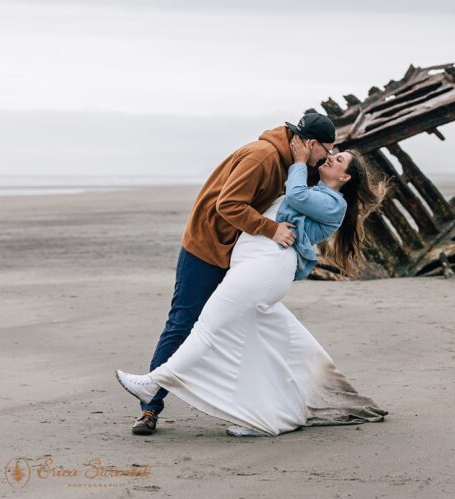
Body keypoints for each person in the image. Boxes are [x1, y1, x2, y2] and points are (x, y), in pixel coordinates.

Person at [116, 139, 388, 437]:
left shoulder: (333, 202)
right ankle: (263, 417)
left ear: (345, 177)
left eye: (339, 160)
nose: (332, 158)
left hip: (267, 265)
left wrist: (299, 160)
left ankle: (153, 384)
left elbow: (295, 196)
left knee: (208, 326)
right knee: (249, 341)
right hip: (257, 262)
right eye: (332, 153)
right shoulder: (319, 191)